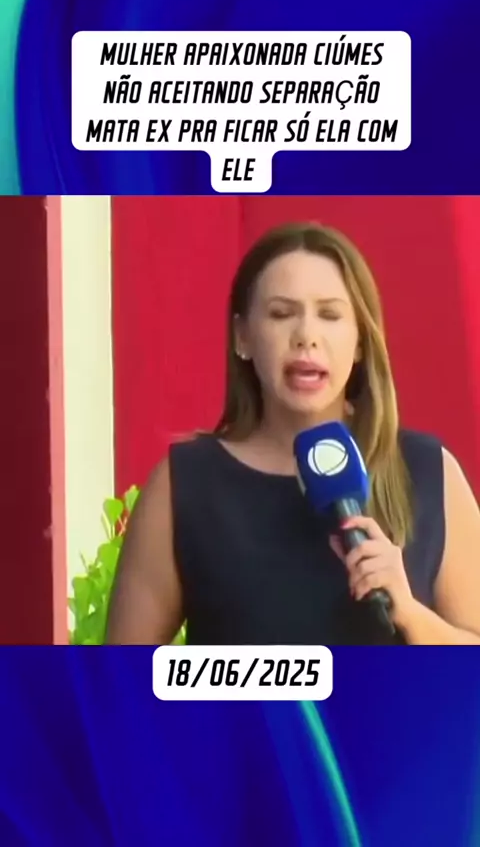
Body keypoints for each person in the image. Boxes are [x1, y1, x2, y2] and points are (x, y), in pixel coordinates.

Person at [106, 222, 480, 645]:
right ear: (243, 337)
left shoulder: (429, 472)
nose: (306, 337)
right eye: (282, 314)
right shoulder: (184, 484)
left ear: (360, 340)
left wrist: (411, 616)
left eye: (330, 315)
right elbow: (122, 677)